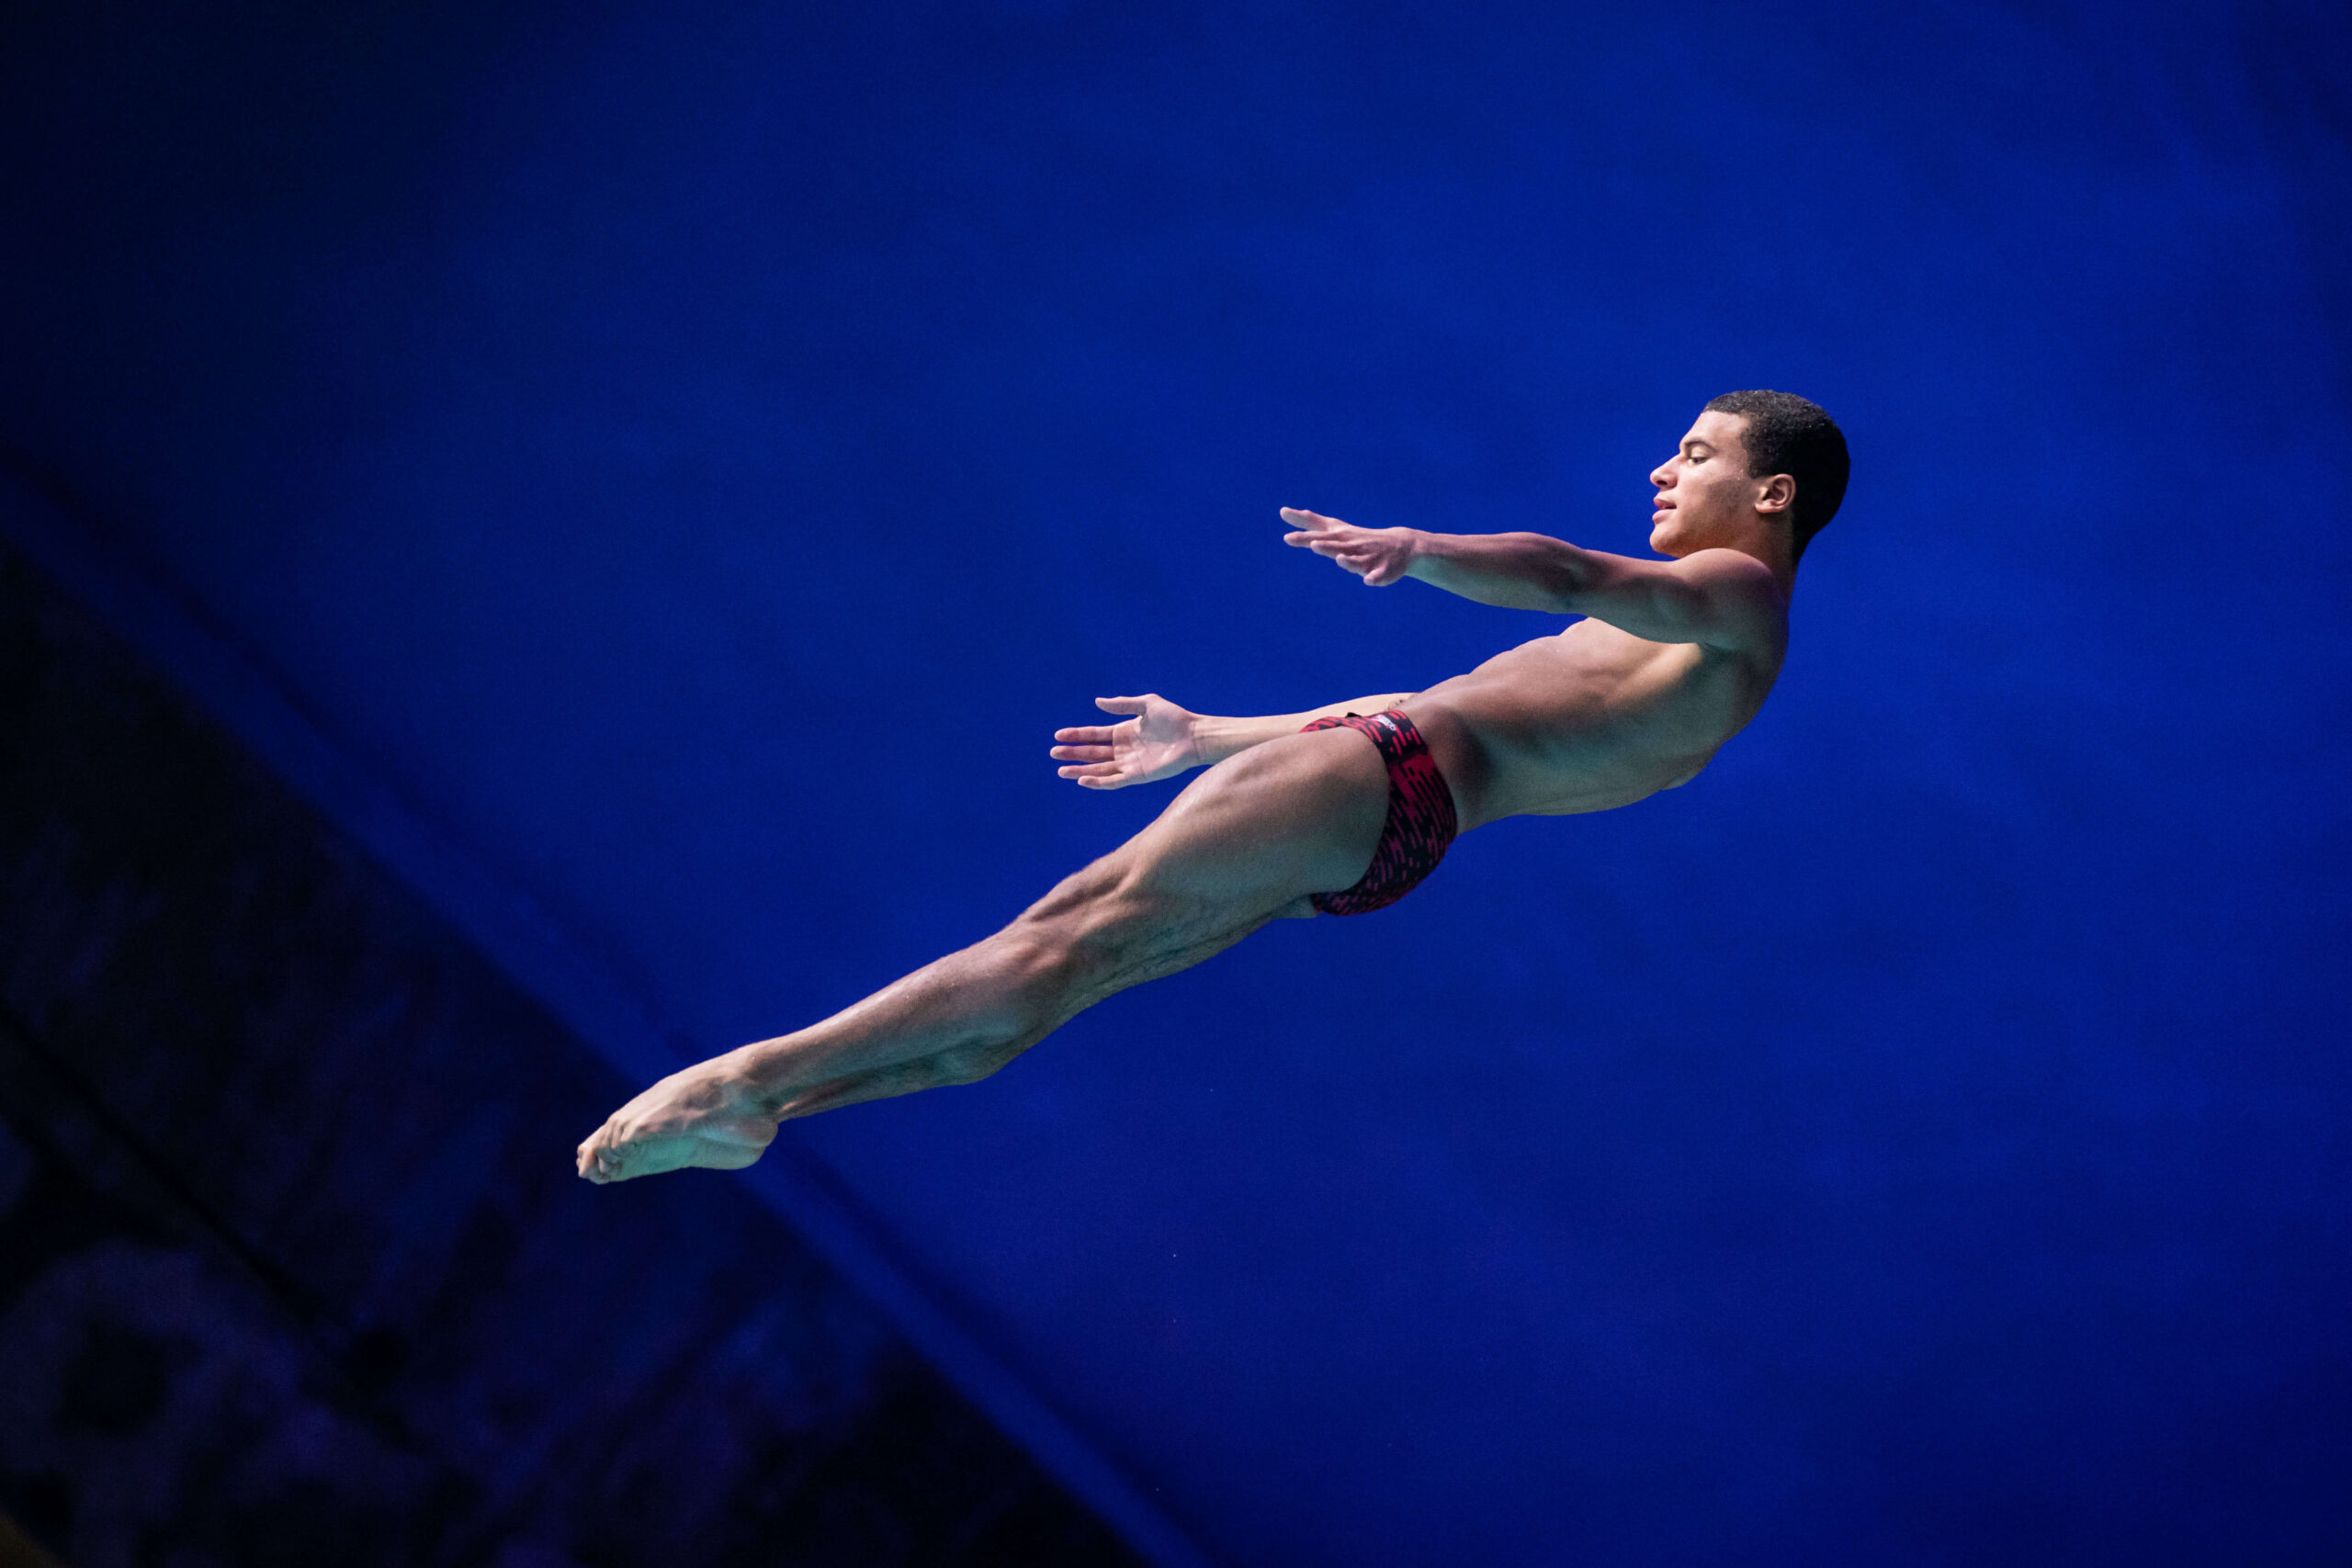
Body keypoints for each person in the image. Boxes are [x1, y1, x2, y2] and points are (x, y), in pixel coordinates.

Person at [576, 390, 1849, 1183]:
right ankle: (778, 1111)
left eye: (1694, 454)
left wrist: (1421, 553)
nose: (1662, 475)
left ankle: (741, 1076)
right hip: (1395, 838)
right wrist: (1214, 737)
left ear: (1771, 493)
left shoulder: (1736, 601)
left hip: (1392, 775)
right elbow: (1445, 722)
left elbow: (1565, 574)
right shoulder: (1695, 669)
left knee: (1062, 930)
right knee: (1058, 985)